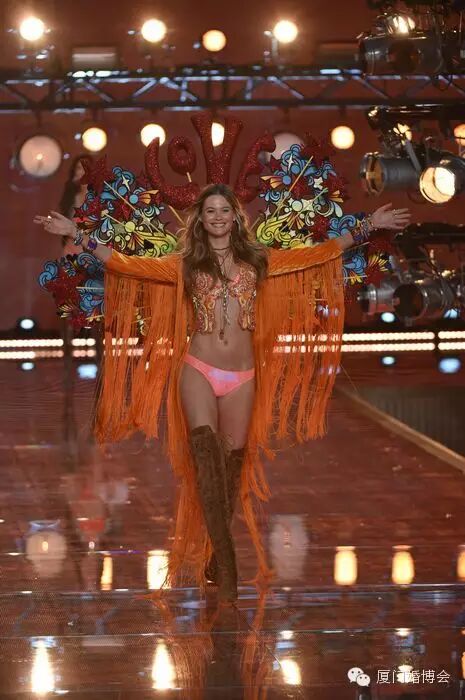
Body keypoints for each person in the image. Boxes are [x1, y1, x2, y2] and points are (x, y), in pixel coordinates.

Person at [34, 184, 410, 603]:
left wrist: (368, 225)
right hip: (198, 368)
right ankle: (228, 565)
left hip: (242, 377)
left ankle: (215, 554)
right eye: (210, 210)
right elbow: (125, 263)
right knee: (205, 455)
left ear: (234, 216)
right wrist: (78, 234)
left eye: (223, 210)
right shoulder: (184, 263)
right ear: (201, 218)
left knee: (229, 474)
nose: (216, 216)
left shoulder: (259, 260)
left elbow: (318, 254)